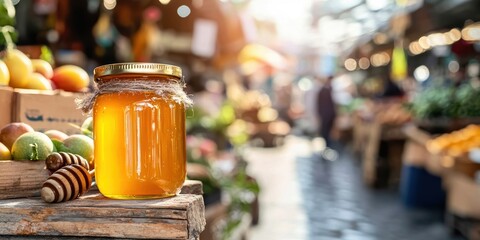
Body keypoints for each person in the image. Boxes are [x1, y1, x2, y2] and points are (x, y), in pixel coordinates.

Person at [316, 76, 337, 149]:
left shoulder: (331, 90)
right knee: (325, 130)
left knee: (329, 130)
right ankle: (327, 144)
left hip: (330, 114)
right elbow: (319, 104)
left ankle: (328, 144)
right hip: (325, 115)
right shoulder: (323, 90)